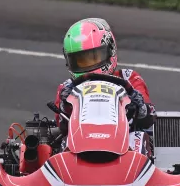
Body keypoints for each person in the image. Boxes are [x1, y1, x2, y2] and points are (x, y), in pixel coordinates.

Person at [53, 18, 156, 151]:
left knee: (138, 137)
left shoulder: (130, 78)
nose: (89, 64)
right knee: (64, 142)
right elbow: (62, 126)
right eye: (81, 61)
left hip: (124, 142)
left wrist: (138, 104)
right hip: (81, 143)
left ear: (110, 49)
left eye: (93, 57)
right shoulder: (66, 88)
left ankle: (137, 169)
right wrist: (65, 104)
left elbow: (148, 117)